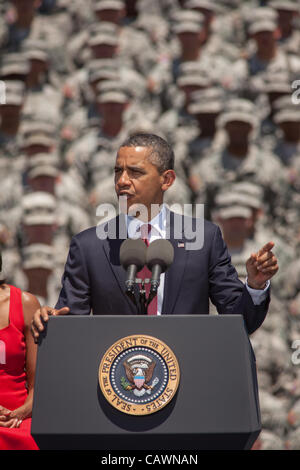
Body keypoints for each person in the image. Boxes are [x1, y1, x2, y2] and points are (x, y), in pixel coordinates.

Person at [31, 133, 278, 340]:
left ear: (167, 179)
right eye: (118, 171)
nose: (122, 181)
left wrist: (255, 286)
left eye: (135, 172)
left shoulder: (204, 239)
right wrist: (52, 321)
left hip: (189, 381)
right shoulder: (89, 247)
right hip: (115, 385)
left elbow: (241, 322)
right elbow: (71, 324)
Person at [0, 253, 40, 450]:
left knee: (32, 439)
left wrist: (21, 412)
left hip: (17, 416)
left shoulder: (25, 303)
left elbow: (37, 384)